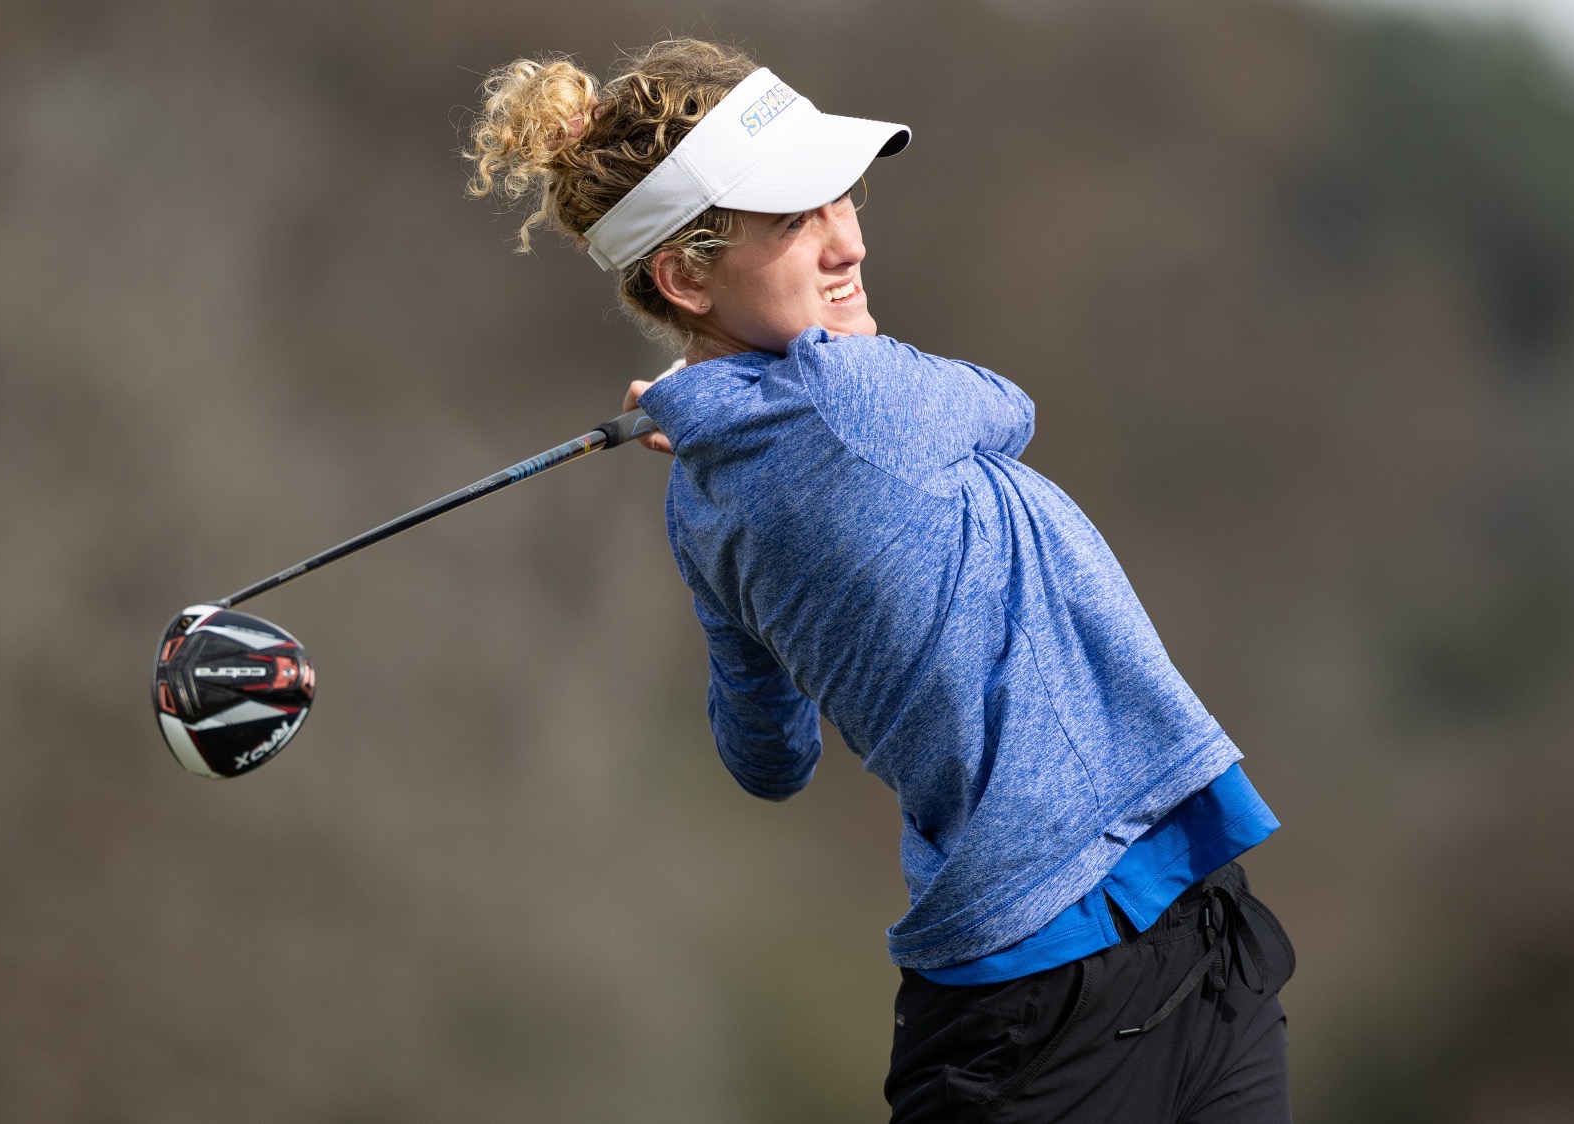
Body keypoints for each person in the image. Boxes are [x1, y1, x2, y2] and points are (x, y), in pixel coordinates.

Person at [465, 38, 1296, 1122]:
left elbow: (768, 758)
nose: (848, 238)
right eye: (793, 218)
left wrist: (711, 412)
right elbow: (1006, 407)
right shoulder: (849, 395)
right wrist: (736, 404)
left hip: (1184, 931)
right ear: (685, 277)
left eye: (840, 197)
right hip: (1048, 1005)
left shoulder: (700, 502)